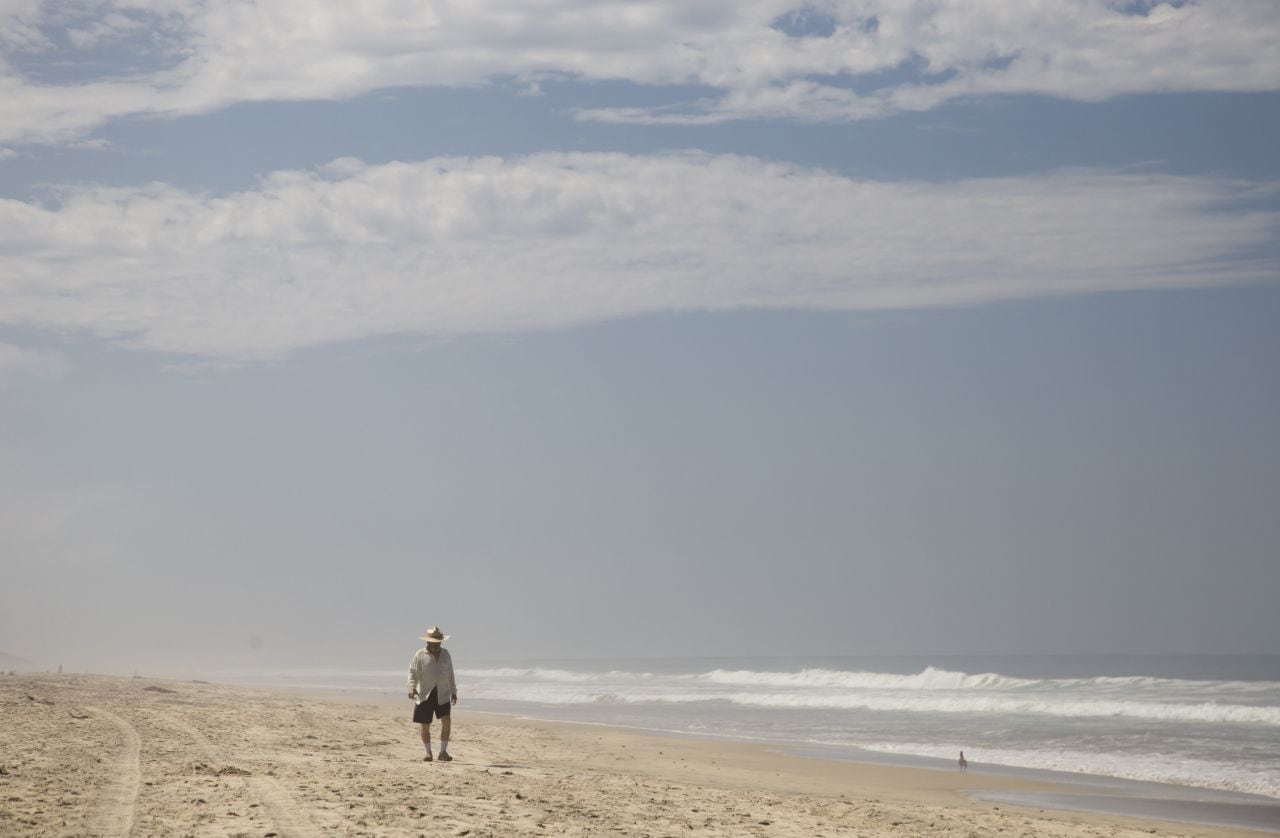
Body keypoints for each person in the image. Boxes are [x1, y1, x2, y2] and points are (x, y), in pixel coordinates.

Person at [407, 626, 458, 761]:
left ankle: (443, 752)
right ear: (428, 642)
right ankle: (428, 752)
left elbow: (451, 674)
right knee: (425, 724)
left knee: (446, 720)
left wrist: (454, 690)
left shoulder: (446, 654)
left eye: (438, 642)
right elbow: (413, 672)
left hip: (443, 692)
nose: (436, 645)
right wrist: (411, 688)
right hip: (424, 693)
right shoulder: (420, 655)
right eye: (433, 642)